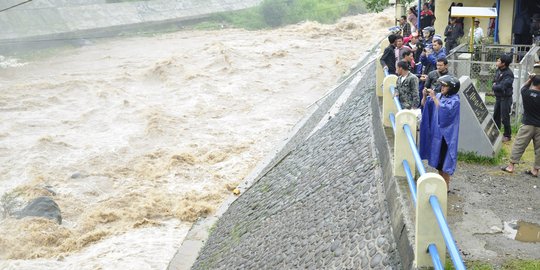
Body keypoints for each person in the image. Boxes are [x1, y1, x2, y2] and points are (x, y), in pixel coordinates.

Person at [420, 75, 461, 190]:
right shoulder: (439, 96)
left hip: (446, 137)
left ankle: (446, 187)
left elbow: (445, 111)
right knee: (438, 162)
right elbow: (425, 105)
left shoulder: (455, 100)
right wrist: (424, 96)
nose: (442, 88)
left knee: (445, 163)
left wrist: (434, 98)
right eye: (442, 85)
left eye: (445, 86)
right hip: (437, 136)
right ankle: (441, 184)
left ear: (451, 88)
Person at [501, 72, 540, 176]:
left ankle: (511, 166)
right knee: (539, 149)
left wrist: (530, 79)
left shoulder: (526, 93)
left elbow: (523, 87)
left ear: (533, 83)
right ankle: (535, 170)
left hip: (527, 124)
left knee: (519, 145)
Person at [492, 54, 514, 142]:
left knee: (505, 118)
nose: (497, 62)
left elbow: (502, 86)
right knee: (496, 115)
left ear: (504, 63)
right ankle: (496, 132)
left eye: (499, 61)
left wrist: (494, 86)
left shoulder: (509, 74)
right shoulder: (498, 70)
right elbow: (494, 80)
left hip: (506, 98)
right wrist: (495, 84)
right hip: (498, 97)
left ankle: (507, 135)